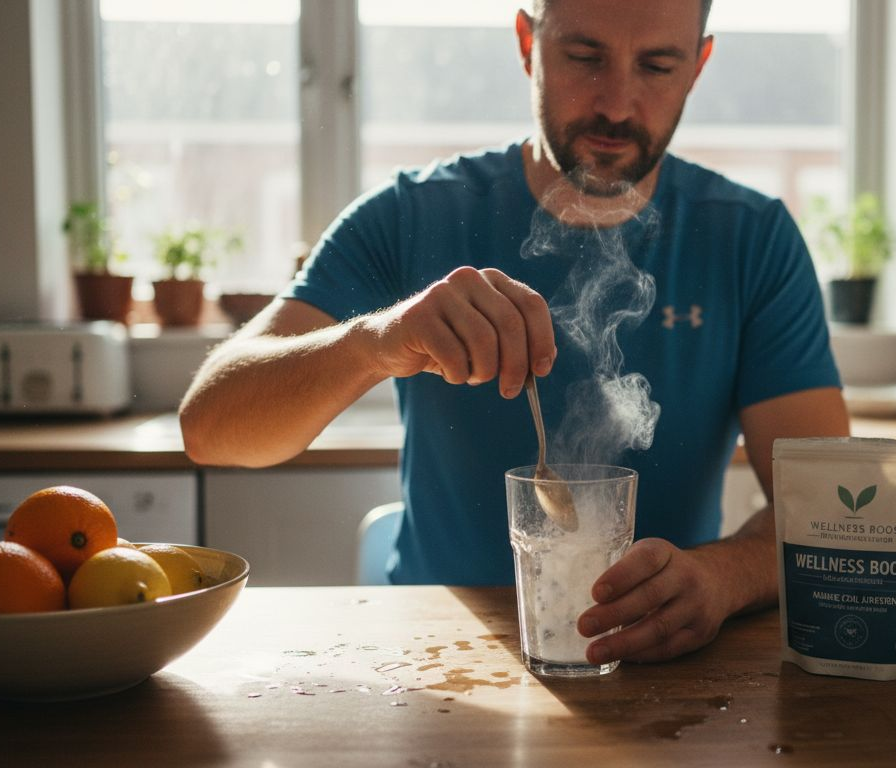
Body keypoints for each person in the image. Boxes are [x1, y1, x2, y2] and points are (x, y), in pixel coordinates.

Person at [179, 0, 850, 666]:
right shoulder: (411, 216)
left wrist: (723, 579)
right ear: (528, 43)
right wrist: (377, 341)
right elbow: (211, 428)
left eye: (657, 65)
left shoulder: (750, 240)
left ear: (699, 64)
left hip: (667, 672)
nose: (617, 104)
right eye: (584, 57)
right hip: (431, 661)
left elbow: (824, 508)